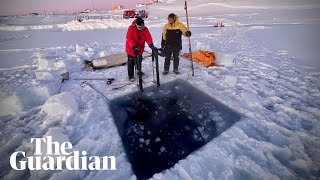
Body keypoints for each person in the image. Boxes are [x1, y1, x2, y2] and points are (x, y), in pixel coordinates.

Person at [125, 17, 157, 82]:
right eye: (140, 27)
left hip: (140, 48)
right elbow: (129, 39)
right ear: (136, 25)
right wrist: (134, 47)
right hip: (131, 48)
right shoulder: (131, 29)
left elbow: (148, 37)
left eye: (142, 27)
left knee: (139, 61)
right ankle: (130, 75)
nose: (141, 28)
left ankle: (138, 71)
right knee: (131, 62)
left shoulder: (145, 29)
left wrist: (151, 45)